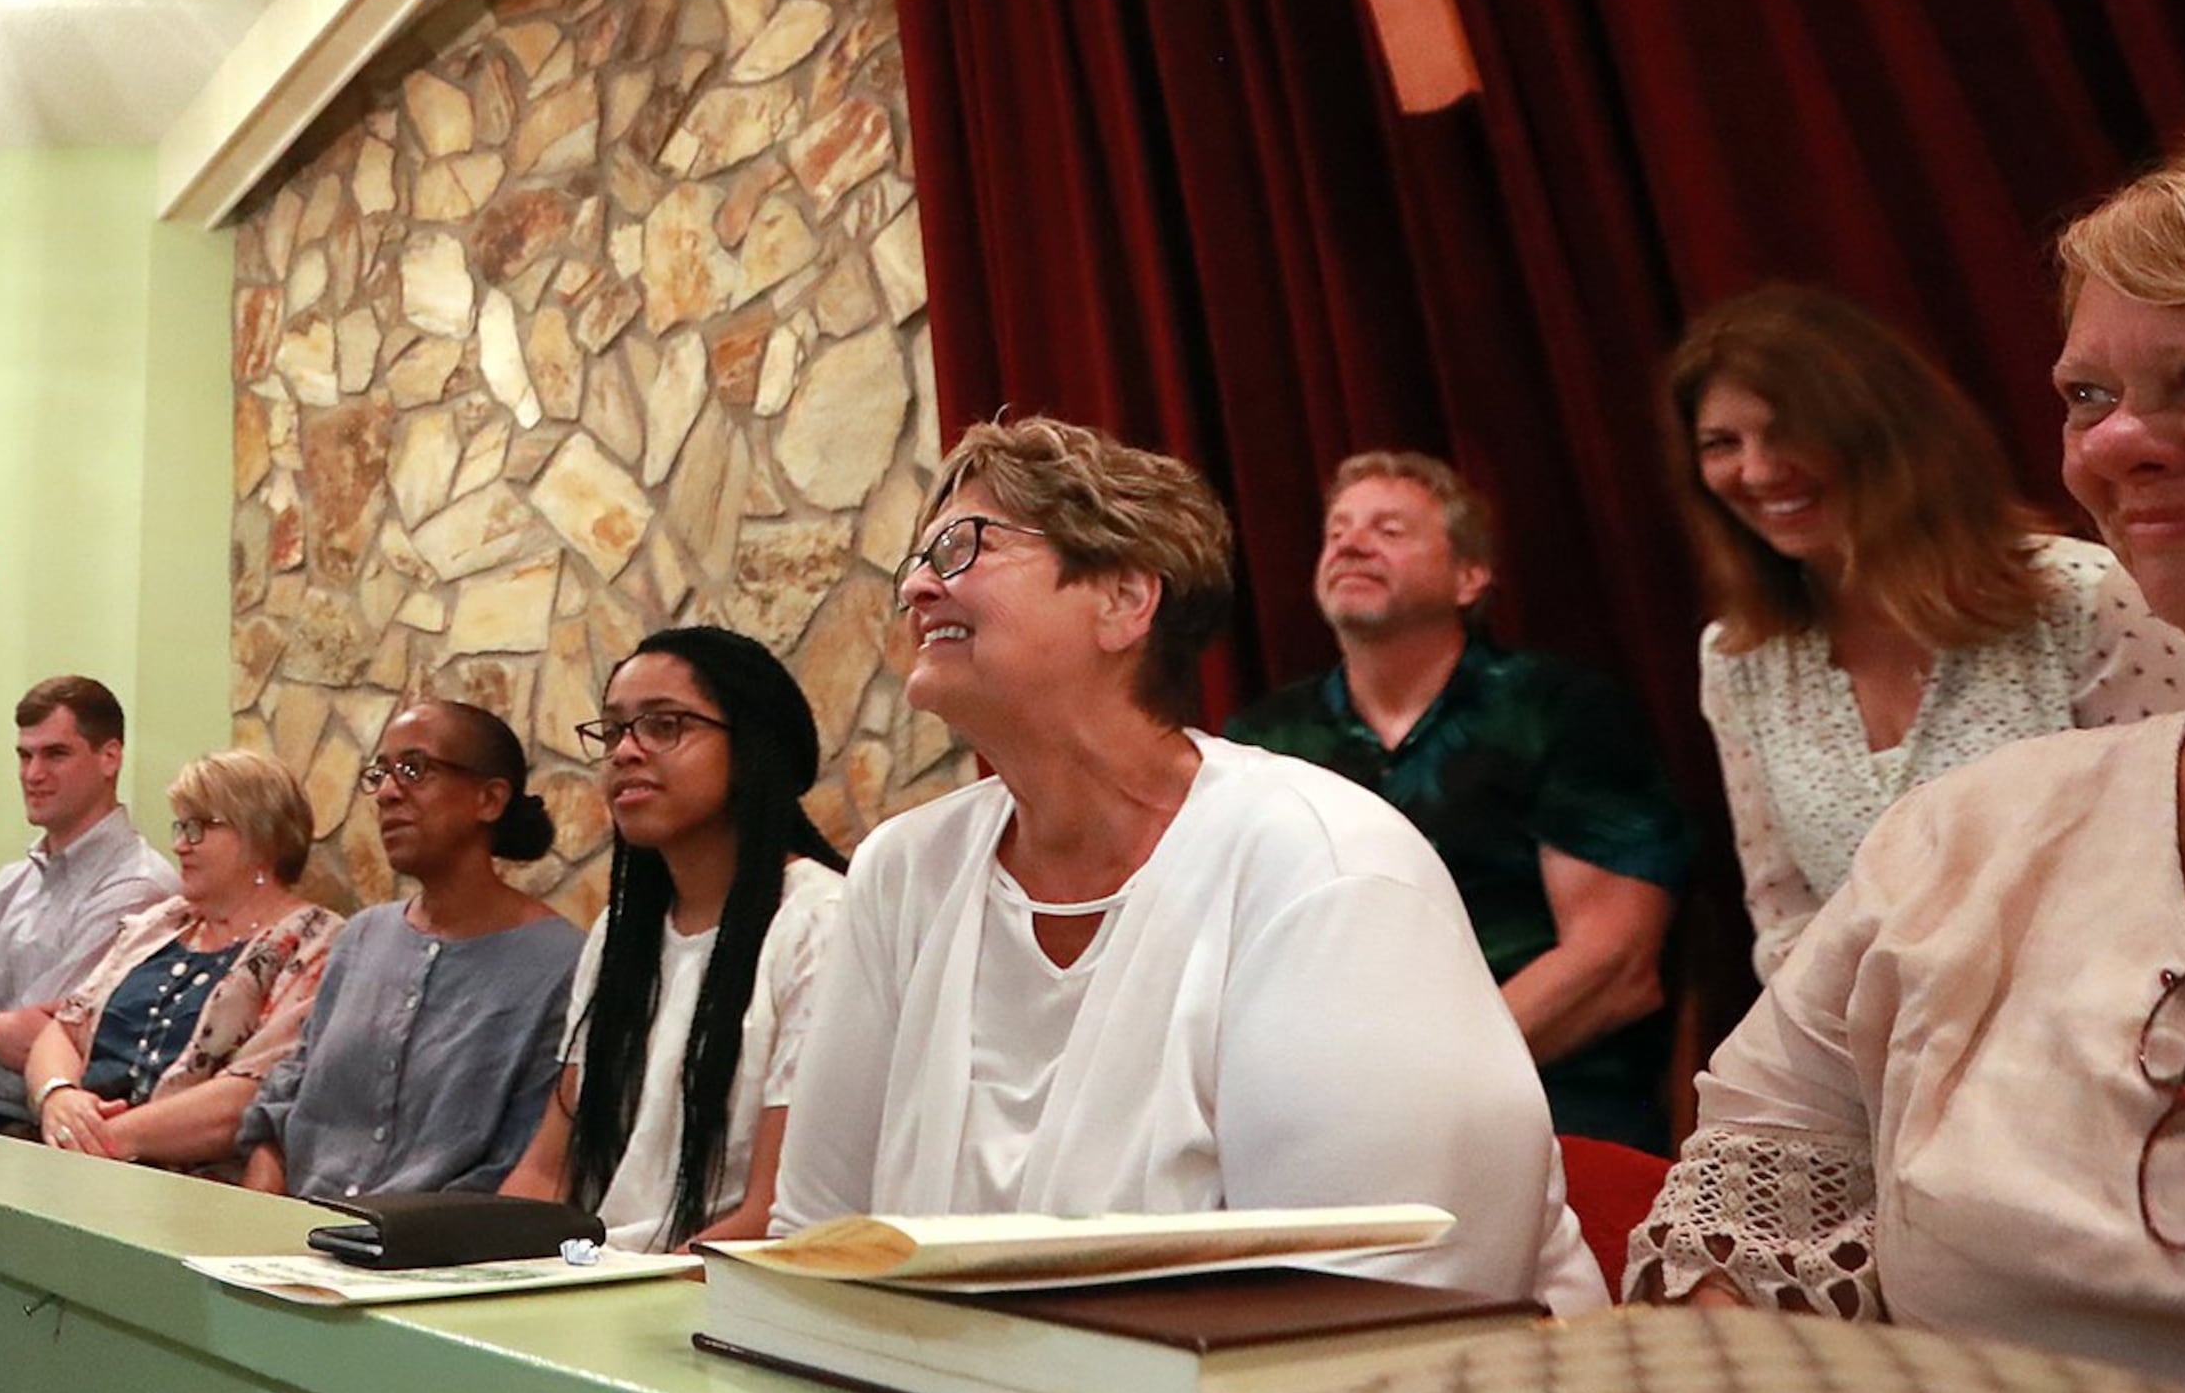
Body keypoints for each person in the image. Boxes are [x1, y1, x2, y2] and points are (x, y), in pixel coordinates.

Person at [1626, 122, 2185, 1393]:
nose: (2119, 447)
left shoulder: (2078, 595)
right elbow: (1785, 1070)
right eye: (2088, 398)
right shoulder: (1930, 805)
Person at [772, 416, 1600, 1314]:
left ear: (1125, 600)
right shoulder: (902, 872)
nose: (920, 586)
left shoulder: (1326, 865)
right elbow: (819, 1242)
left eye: (967, 546)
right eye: (919, 559)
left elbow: (1385, 1301)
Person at [1666, 285, 2185, 980]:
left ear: (1884, 432)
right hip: (1890, 1067)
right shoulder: (1737, 656)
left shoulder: (2083, 597)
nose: (1756, 470)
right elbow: (1787, 922)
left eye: (1788, 432)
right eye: (1723, 444)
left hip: (2126, 1028)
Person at [1223, 453, 1694, 1149]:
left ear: (1470, 577)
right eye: (1338, 531)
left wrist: (1417, 1086)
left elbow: (1614, 966)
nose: (1352, 544)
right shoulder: (1262, 743)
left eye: (1389, 530)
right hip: (1316, 1109)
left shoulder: (1560, 710)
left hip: (1539, 1100)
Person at [499, 627, 845, 1251]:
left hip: (715, 1296)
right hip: (598, 1278)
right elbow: (548, 1170)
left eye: (664, 725)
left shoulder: (819, 920)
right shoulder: (620, 933)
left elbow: (778, 1212)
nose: (625, 752)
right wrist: (465, 1270)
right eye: (613, 730)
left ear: (750, 747)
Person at [236, 699, 583, 1204]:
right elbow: (289, 1091)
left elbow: (523, 1162)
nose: (388, 794)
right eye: (380, 773)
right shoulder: (361, 938)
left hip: (431, 1258)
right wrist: (262, 1205)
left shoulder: (560, 963)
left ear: (489, 799)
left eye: (414, 770)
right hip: (294, 1236)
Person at [23, 750, 334, 1171]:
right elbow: (63, 1028)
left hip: (187, 1188)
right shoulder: (162, 922)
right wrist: (58, 1097)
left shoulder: (315, 941)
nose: (179, 845)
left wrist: (104, 1139)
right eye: (180, 826)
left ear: (260, 836)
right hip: (80, 1163)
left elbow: (253, 1096)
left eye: (198, 828)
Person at [0, 679, 180, 1134]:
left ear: (109, 757)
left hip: (43, 1138)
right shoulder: (10, 884)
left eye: (55, 754)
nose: (32, 774)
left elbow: (49, 1041)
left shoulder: (141, 888)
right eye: (24, 755)